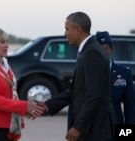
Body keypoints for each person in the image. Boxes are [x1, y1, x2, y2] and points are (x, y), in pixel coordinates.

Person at [35, 12, 116, 141]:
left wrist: (78, 127)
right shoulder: (87, 50)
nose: (65, 34)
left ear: (78, 30)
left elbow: (94, 96)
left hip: (95, 129)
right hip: (91, 127)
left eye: (67, 29)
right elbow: (76, 91)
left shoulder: (92, 52)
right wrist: (48, 105)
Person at [96, 31, 135, 124]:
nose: (103, 52)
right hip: (92, 129)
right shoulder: (87, 72)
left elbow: (130, 106)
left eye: (105, 49)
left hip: (115, 125)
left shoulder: (124, 73)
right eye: (99, 50)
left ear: (111, 49)